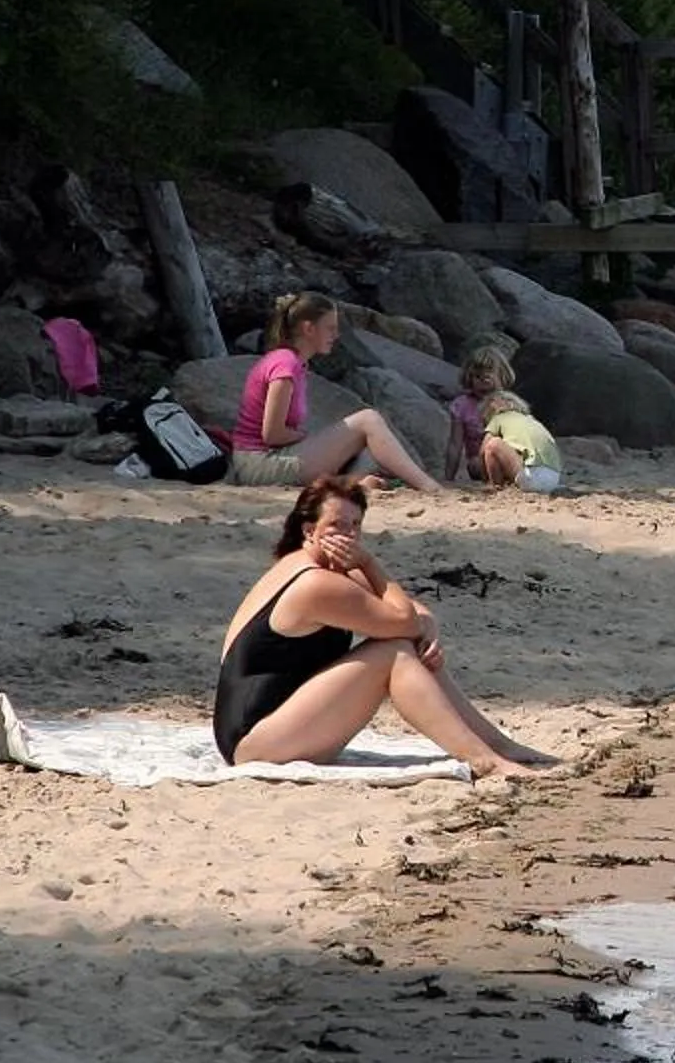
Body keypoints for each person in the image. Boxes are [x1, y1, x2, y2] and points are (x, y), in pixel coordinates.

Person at [213, 477, 557, 776]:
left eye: (355, 526)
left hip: (281, 722)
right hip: (254, 741)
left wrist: (428, 626)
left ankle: (498, 744)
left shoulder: (328, 569)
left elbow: (411, 612)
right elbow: (403, 620)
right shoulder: (316, 583)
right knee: (395, 653)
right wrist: (371, 564)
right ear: (309, 530)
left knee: (405, 644)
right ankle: (486, 761)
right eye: (336, 526)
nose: (348, 536)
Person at [228, 293, 446, 491]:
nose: (336, 335)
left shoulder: (295, 363)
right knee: (368, 420)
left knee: (373, 447)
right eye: (330, 328)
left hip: (268, 459)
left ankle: (351, 484)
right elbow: (272, 434)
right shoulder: (285, 365)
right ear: (309, 329)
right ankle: (429, 487)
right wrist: (308, 438)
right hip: (259, 464)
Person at [450, 348, 565, 494]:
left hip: (522, 467)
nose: (483, 382)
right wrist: (450, 477)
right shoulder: (463, 406)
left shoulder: (503, 409)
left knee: (493, 446)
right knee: (475, 464)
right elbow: (455, 444)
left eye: (488, 377)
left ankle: (496, 485)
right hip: (550, 474)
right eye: (477, 377)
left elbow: (488, 446)